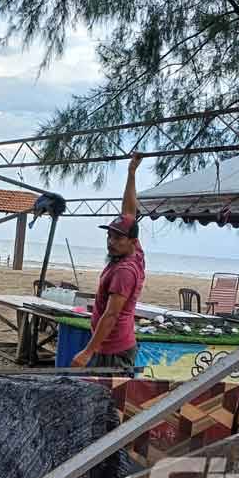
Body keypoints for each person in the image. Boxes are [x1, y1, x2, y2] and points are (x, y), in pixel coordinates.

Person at [71, 153, 146, 369]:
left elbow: (112, 314)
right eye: (109, 236)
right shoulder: (134, 252)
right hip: (111, 345)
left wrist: (88, 352)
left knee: (109, 398)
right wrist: (131, 173)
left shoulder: (125, 270)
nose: (111, 242)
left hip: (114, 350)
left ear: (132, 241)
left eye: (118, 238)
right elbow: (129, 211)